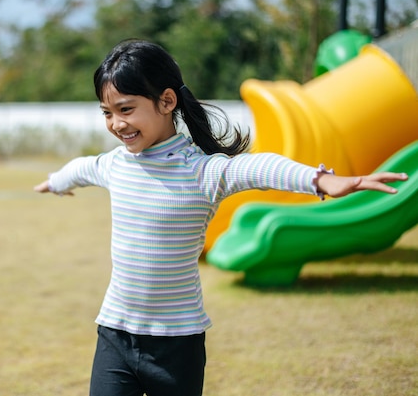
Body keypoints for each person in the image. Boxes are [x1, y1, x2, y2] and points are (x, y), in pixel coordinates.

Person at [33, 39, 408, 396]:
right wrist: (55, 181)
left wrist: (323, 179)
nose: (116, 124)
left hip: (177, 346)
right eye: (107, 113)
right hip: (115, 334)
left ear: (166, 101)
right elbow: (82, 168)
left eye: (126, 109)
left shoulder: (202, 172)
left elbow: (259, 167)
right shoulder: (116, 165)